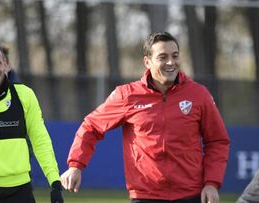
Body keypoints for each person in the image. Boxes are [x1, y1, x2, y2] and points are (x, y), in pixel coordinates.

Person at [61, 31, 230, 203]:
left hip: (191, 195)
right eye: (163, 57)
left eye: (175, 56)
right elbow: (91, 126)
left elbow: (217, 141)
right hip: (145, 195)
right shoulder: (127, 95)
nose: (171, 62)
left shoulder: (198, 94)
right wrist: (76, 165)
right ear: (147, 62)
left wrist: (211, 183)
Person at [0, 41, 63, 203]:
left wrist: (55, 182)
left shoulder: (25, 95)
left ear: (6, 65)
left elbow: (40, 140)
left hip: (21, 190)